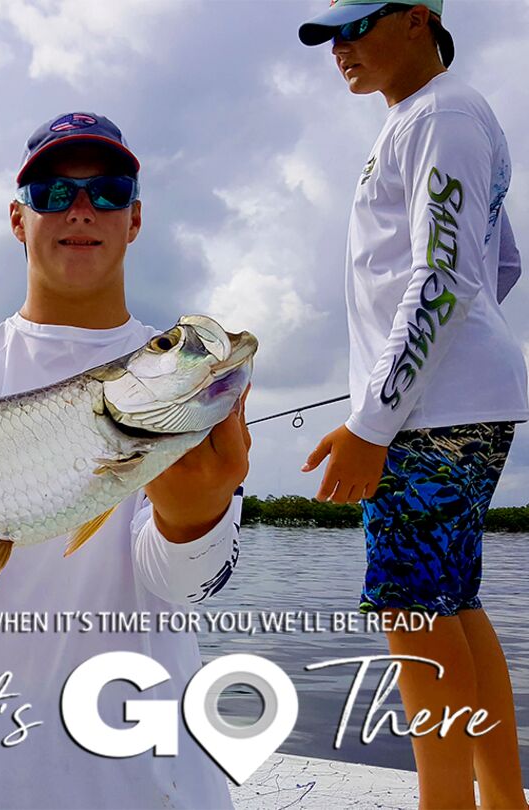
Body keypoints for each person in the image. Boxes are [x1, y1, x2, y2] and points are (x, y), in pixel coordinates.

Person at [0, 112, 251, 809]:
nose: (81, 210)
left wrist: (197, 515)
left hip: (147, 768)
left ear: (135, 220)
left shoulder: (185, 390)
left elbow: (183, 584)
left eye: (107, 192)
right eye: (53, 193)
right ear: (18, 219)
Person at [297, 3, 529, 807]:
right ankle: (503, 801)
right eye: (332, 35)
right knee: (450, 604)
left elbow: (445, 277)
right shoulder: (431, 117)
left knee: (414, 613)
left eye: (357, 25)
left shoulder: (441, 112)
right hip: (448, 400)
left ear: (418, 19)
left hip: (430, 417)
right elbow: (500, 265)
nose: (341, 48)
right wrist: (453, 356)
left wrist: (371, 422)